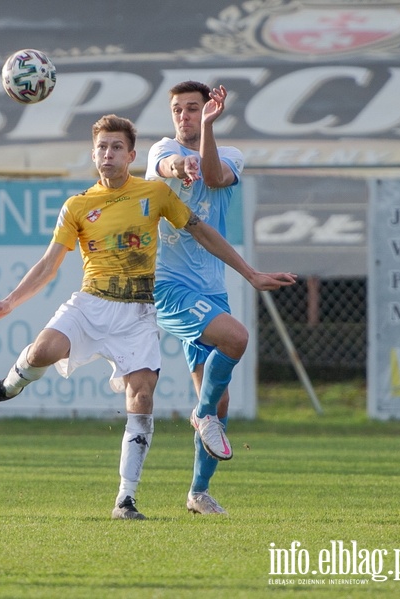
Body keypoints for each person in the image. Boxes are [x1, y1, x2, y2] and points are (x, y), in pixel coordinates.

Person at [0, 114, 295, 520]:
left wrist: (251, 273)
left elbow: (203, 232)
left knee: (142, 397)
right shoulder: (77, 205)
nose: (108, 154)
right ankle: (8, 387)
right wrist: (9, 303)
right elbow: (49, 265)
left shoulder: (155, 194)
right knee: (44, 351)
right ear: (93, 154)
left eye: (117, 147)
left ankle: (125, 500)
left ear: (132, 155)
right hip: (91, 304)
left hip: (137, 313)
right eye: (102, 147)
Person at [146, 81, 251, 516]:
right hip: (168, 285)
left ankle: (198, 492)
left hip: (211, 289)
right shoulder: (160, 149)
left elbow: (212, 176)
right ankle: (202, 414)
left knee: (219, 400)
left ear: (209, 111)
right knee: (236, 338)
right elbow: (169, 165)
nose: (185, 116)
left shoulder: (232, 156)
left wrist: (206, 133)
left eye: (194, 109)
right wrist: (178, 165)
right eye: (179, 109)